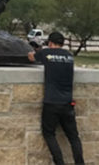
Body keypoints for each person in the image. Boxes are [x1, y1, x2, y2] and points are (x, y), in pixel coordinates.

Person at [28, 31, 85, 165]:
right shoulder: (69, 56)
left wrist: (37, 50)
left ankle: (59, 163)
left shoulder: (46, 53)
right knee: (73, 137)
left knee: (49, 133)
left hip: (51, 102)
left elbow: (31, 57)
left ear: (51, 43)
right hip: (68, 103)